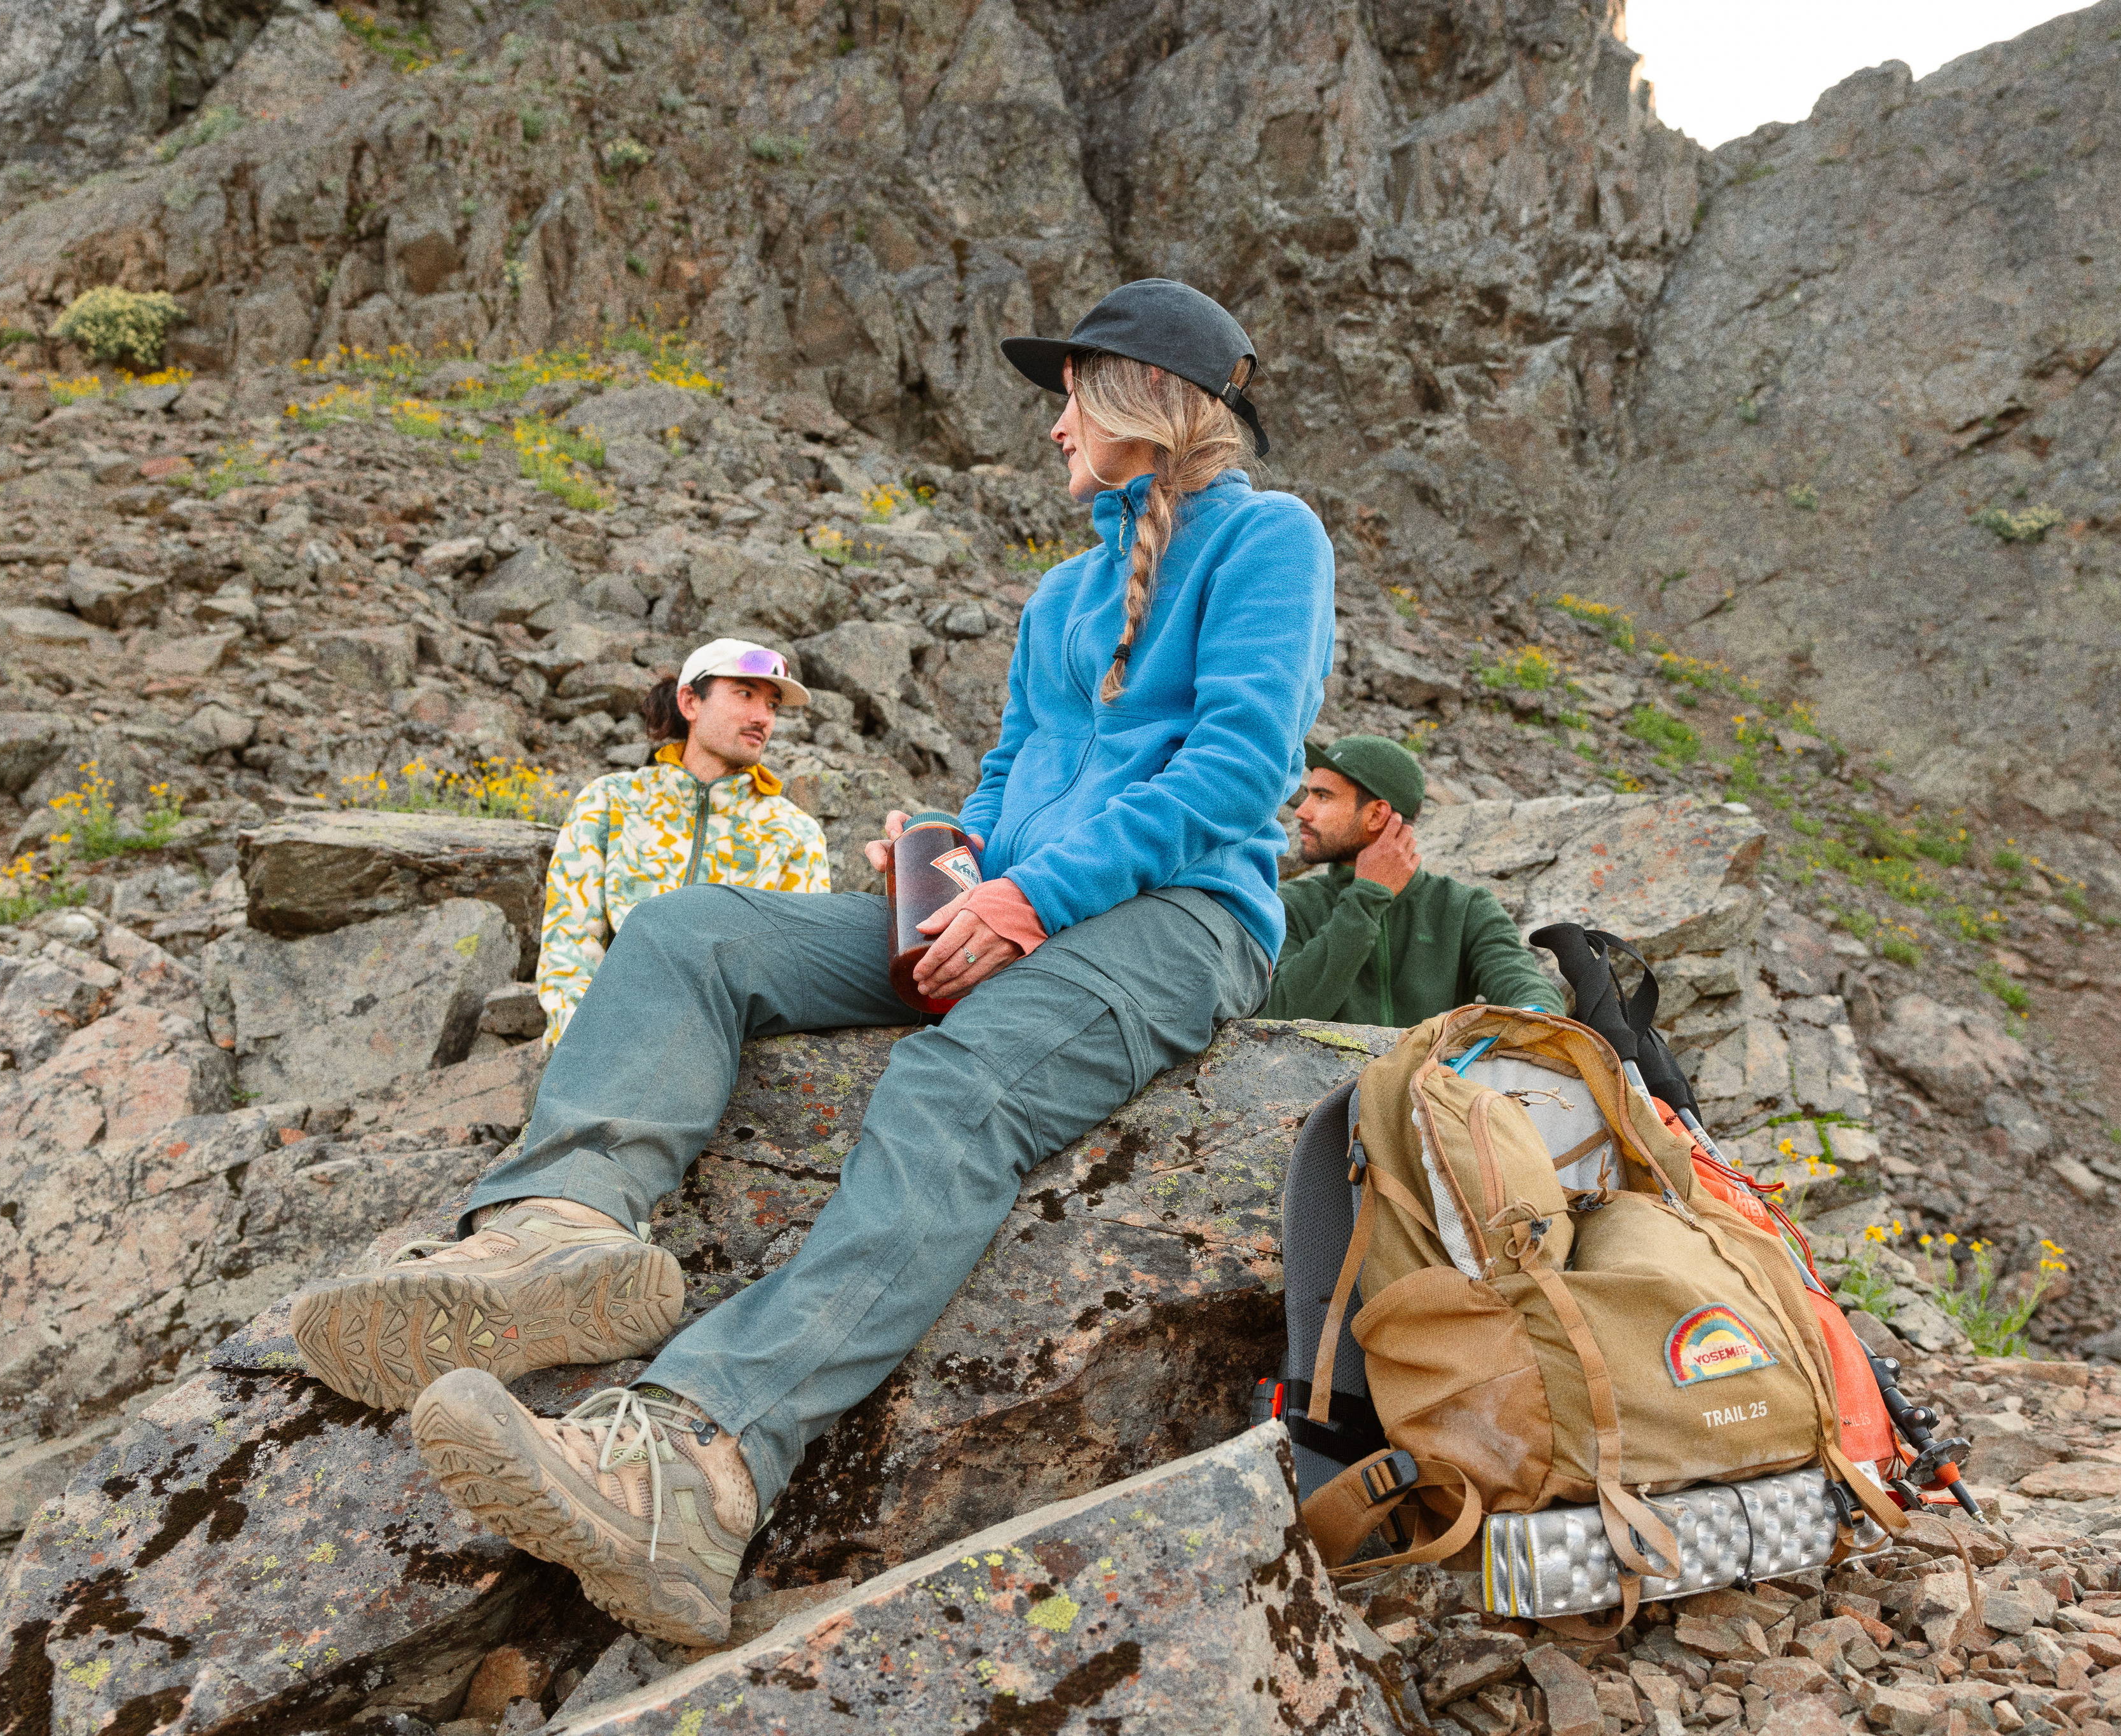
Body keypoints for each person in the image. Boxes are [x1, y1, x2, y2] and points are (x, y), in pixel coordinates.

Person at [286, 278, 1335, 1645]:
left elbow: (1241, 768)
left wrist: (1029, 893)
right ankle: (558, 1237)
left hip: (1182, 919)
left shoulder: (1267, 541)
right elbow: (1016, 772)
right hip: (1016, 897)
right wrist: (951, 853)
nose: (1053, 427)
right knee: (690, 932)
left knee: (949, 1093)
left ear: (1142, 398)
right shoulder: (1062, 594)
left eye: (1068, 395)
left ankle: (695, 1461)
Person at [533, 639, 831, 1045]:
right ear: (690, 702)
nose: (762, 716)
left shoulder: (795, 834)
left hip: (725, 1059)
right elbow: (569, 942)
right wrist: (583, 1047)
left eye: (773, 706)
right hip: (603, 1043)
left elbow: (798, 976)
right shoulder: (610, 801)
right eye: (745, 694)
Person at [1260, 734, 1561, 1026]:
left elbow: (1522, 983)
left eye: (1323, 797)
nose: (1301, 811)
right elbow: (1275, 1012)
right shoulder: (1289, 904)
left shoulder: (1464, 907)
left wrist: (1537, 1018)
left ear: (1377, 815)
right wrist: (1367, 897)